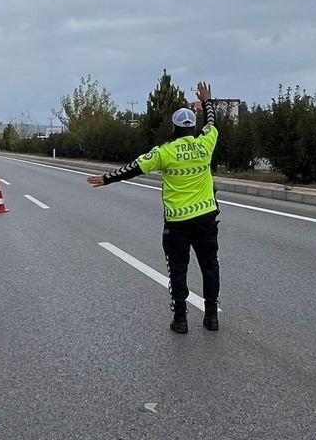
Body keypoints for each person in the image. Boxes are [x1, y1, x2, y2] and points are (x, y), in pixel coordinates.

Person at [87, 82, 220, 334]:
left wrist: (106, 179)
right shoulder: (206, 144)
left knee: (178, 270)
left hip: (178, 222)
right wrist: (207, 102)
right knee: (210, 265)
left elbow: (133, 168)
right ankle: (211, 317)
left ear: (174, 127)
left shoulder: (164, 151)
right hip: (206, 217)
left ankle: (180, 320)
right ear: (193, 127)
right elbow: (212, 124)